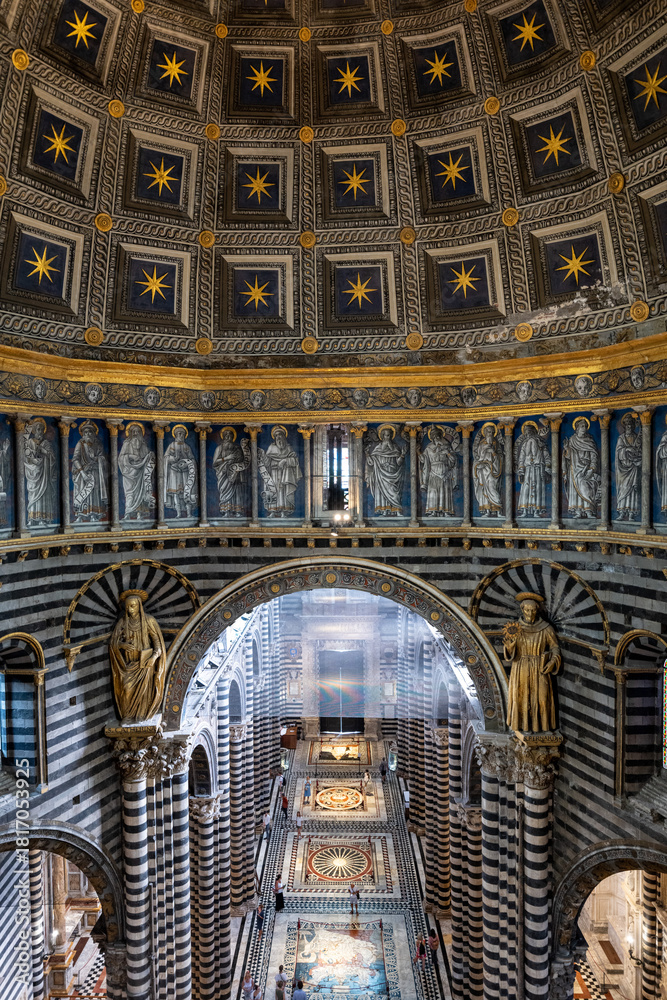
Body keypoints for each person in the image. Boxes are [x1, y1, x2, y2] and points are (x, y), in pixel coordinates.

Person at [504, 592, 561, 733]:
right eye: (527, 610)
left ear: (537, 610)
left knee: (542, 697)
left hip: (539, 667)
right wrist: (510, 647)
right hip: (521, 667)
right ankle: (523, 726)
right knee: (522, 698)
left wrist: (553, 660)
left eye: (533, 610)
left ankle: (544, 726)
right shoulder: (515, 628)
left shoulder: (546, 628)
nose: (530, 613)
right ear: (522, 610)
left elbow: (554, 647)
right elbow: (509, 650)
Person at [364, 425, 406, 515]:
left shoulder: (395, 448)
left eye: (390, 436)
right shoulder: (378, 449)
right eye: (386, 436)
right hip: (380, 474)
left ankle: (396, 509)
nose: (388, 438)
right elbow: (371, 463)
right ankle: (384, 510)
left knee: (394, 491)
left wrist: (402, 455)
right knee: (381, 492)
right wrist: (367, 454)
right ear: (382, 436)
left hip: (393, 473)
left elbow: (399, 463)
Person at [72, 421, 108, 523]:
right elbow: (75, 459)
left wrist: (98, 459)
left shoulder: (98, 444)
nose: (88, 434)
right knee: (82, 492)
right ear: (83, 434)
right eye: (86, 432)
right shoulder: (80, 444)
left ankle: (93, 514)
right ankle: (80, 515)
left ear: (94, 433)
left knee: (94, 494)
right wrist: (82, 472)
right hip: (83, 473)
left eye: (90, 432)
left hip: (95, 472)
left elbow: (103, 458)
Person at [213, 427, 250, 518]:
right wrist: (227, 458)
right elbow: (215, 463)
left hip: (236, 473)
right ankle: (226, 511)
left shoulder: (237, 448)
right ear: (223, 437)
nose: (228, 436)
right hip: (224, 473)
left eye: (230, 435)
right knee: (225, 490)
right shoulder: (219, 448)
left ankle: (237, 511)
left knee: (237, 491)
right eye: (226, 435)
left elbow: (243, 460)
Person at [164, 424, 197, 518]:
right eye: (179, 434)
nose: (181, 436)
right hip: (174, 472)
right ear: (175, 435)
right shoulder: (172, 445)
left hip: (185, 472)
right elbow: (165, 458)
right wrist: (174, 459)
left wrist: (188, 463)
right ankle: (178, 514)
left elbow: (192, 459)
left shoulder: (187, 446)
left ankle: (189, 513)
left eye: (182, 434)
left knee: (186, 492)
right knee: (176, 494)